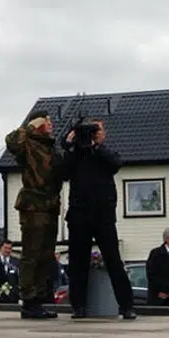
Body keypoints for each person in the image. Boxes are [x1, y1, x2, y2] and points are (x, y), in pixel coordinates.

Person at [58, 118, 137, 320]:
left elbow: (116, 164)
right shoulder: (76, 154)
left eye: (98, 130)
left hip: (103, 214)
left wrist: (96, 147)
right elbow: (64, 173)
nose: (98, 133)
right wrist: (71, 146)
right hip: (79, 213)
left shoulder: (104, 152)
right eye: (95, 131)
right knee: (78, 262)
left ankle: (126, 306)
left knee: (113, 260)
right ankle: (78, 306)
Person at [6, 110, 63, 319]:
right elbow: (12, 142)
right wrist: (30, 126)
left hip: (50, 204)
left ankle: (39, 298)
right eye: (46, 121)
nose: (50, 123)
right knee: (32, 253)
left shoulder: (50, 146)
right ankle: (29, 300)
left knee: (46, 254)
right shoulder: (27, 143)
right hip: (33, 205)